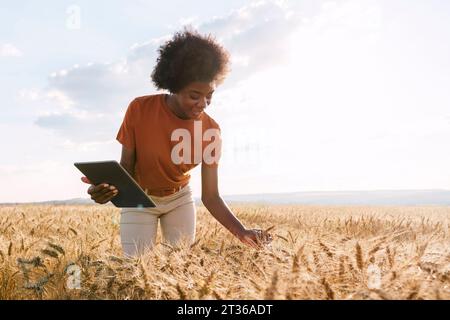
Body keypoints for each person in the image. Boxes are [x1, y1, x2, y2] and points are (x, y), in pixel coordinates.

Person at [81, 27, 272, 256]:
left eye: (209, 95)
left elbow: (211, 196)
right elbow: (127, 169)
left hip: (180, 199)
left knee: (179, 267)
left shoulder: (211, 131)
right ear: (173, 86)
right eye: (194, 95)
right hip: (140, 199)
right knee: (134, 266)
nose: (203, 104)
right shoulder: (139, 109)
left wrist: (242, 232)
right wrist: (106, 190)